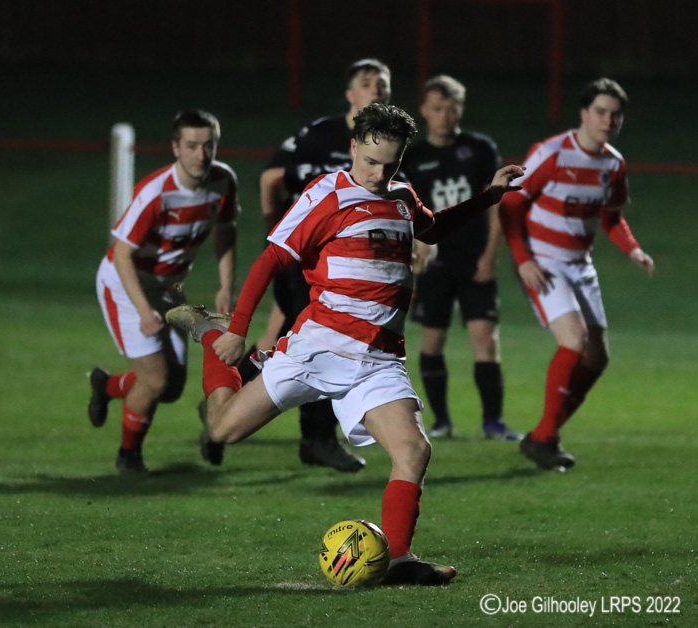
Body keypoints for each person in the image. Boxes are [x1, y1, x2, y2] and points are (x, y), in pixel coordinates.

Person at [167, 103, 524, 584]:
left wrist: (489, 197)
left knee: (413, 451)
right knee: (222, 430)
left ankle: (396, 558)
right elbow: (271, 260)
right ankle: (208, 333)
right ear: (354, 147)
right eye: (370, 162)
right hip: (317, 348)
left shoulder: (401, 196)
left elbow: (431, 227)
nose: (378, 174)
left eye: (390, 165)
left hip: (377, 360)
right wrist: (235, 330)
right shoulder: (326, 195)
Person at [213, 58, 394, 473]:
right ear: (351, 95)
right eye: (368, 84)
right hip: (307, 261)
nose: (377, 90)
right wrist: (277, 231)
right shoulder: (321, 132)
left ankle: (224, 385)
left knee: (282, 342)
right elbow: (272, 176)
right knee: (324, 342)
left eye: (383, 84)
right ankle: (316, 439)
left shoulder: (386, 147)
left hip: (351, 266)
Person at [499, 78, 654, 470]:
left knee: (597, 358)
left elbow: (611, 215)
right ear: (584, 113)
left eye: (615, 114)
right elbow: (511, 207)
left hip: (580, 266)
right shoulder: (551, 153)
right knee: (574, 340)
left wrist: (632, 249)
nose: (608, 119)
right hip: (543, 263)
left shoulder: (612, 163)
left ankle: (541, 435)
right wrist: (523, 260)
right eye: (601, 111)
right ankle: (547, 439)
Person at [88, 109, 239, 475]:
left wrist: (225, 285)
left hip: (169, 287)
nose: (201, 155)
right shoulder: (156, 193)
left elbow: (226, 229)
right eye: (191, 146)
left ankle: (105, 385)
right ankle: (129, 456)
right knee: (155, 379)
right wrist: (143, 311)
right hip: (127, 283)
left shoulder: (223, 181)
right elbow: (122, 254)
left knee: (169, 388)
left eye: (208, 146)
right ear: (175, 147)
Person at [402, 75, 518, 440]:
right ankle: (441, 422)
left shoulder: (480, 149)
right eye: (438, 109)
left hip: (474, 261)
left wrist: (490, 254)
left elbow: (497, 204)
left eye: (452, 109)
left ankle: (493, 423)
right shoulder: (414, 157)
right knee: (432, 342)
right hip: (434, 264)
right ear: (424, 110)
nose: (445, 116)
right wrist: (414, 258)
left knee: (486, 338)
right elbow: (405, 214)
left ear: (460, 110)